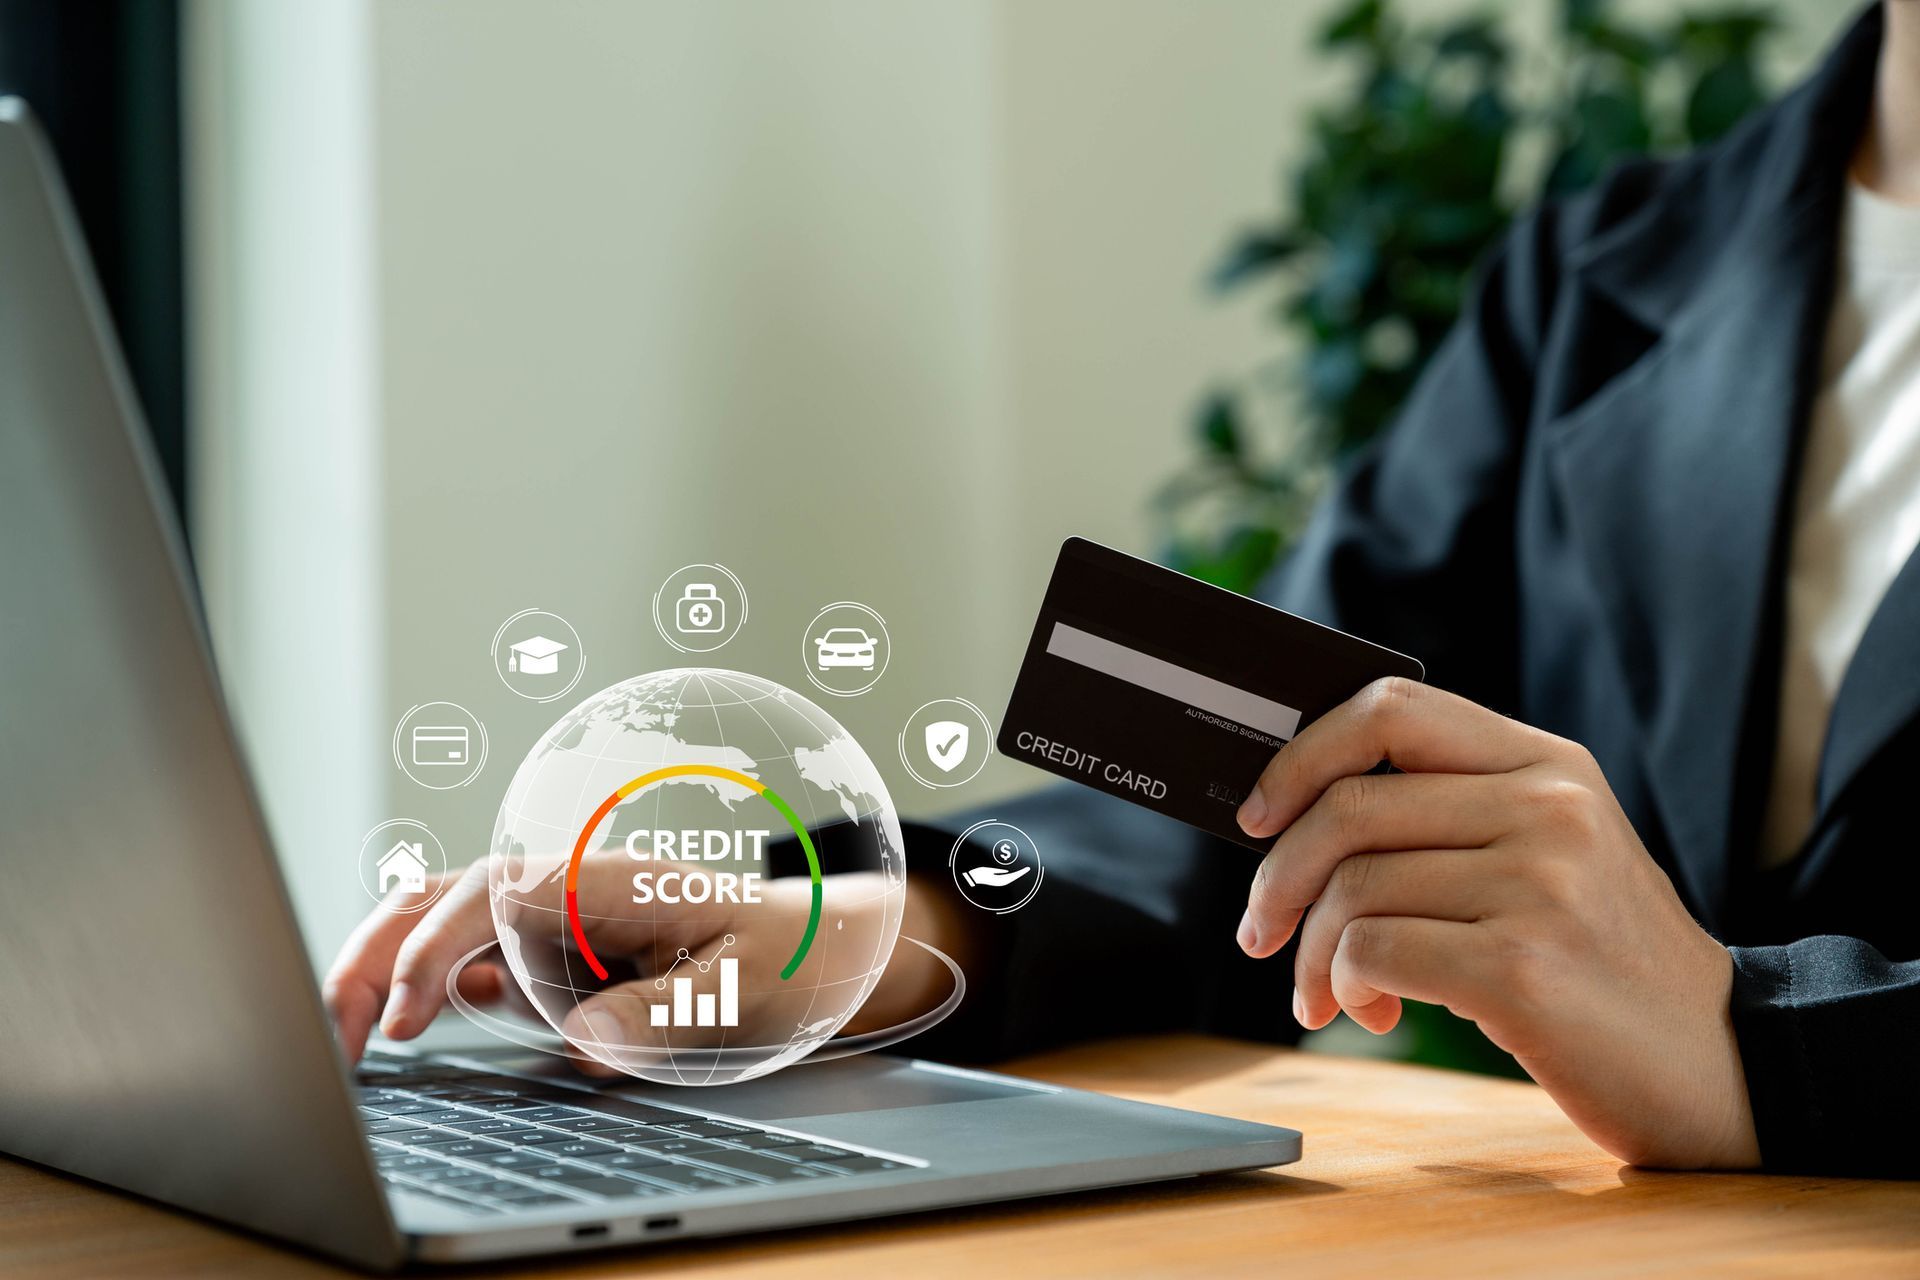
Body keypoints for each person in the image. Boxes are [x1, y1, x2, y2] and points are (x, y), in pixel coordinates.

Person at [328, 4, 1919, 1176]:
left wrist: (1758, 1045)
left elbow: (1718, 1020)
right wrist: (885, 928)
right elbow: (1269, 772)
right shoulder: (1598, 269)